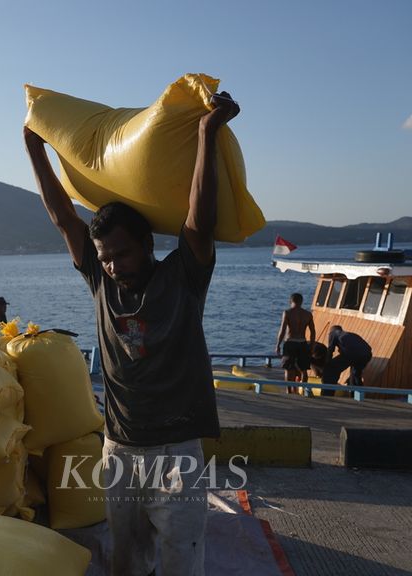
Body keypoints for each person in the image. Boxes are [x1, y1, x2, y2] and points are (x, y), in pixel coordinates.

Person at [25, 91, 240, 576]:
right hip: (119, 447)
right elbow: (63, 216)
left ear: (147, 245)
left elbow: (200, 219)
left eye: (120, 254)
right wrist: (36, 149)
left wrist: (208, 132)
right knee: (125, 560)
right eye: (103, 257)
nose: (112, 265)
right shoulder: (101, 282)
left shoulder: (182, 278)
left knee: (180, 561)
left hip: (177, 452)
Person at [275, 292, 316, 392]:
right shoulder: (308, 314)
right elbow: (313, 332)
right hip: (302, 343)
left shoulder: (287, 312)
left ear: (291, 301)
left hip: (290, 342)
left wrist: (278, 345)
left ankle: (289, 391)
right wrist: (311, 345)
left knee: (289, 369)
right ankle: (304, 391)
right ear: (301, 302)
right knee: (304, 369)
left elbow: (283, 329)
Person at [322, 325, 373, 395]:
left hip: (353, 354)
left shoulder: (334, 333)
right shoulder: (350, 335)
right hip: (367, 354)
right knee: (355, 374)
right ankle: (357, 396)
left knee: (330, 369)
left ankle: (327, 394)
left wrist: (327, 364)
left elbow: (330, 350)